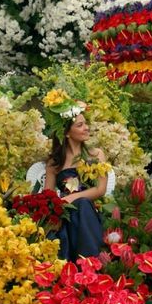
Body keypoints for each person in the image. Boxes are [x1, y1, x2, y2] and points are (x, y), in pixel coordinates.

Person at [44, 103, 108, 261]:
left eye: (86, 123)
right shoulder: (55, 163)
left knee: (83, 205)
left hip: (89, 215)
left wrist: (68, 199)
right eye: (80, 125)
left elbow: (100, 190)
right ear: (66, 133)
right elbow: (48, 198)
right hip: (65, 217)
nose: (86, 128)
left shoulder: (96, 155)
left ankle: (89, 265)